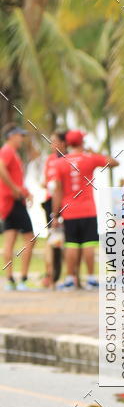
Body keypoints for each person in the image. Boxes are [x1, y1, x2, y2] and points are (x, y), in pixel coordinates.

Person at [52, 129, 119, 289]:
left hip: (69, 210)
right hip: (88, 209)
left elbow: (58, 190)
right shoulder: (90, 158)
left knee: (71, 244)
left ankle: (69, 279)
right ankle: (90, 278)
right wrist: (93, 152)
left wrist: (55, 215)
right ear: (82, 142)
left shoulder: (60, 162)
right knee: (88, 243)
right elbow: (114, 163)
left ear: (68, 143)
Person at [0, 123, 36, 291]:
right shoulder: (7, 151)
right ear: (12, 136)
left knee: (10, 240)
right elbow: (0, 167)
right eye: (20, 135)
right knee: (30, 238)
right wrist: (15, 189)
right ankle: (22, 279)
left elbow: (16, 179)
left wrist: (25, 191)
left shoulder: (13, 153)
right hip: (13, 202)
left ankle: (10, 281)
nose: (22, 139)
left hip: (10, 202)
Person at [40, 130, 67, 287]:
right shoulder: (50, 160)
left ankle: (67, 275)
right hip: (51, 204)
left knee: (66, 241)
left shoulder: (69, 159)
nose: (52, 145)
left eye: (54, 141)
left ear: (63, 143)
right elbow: (47, 181)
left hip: (68, 204)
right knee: (52, 240)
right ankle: (49, 275)